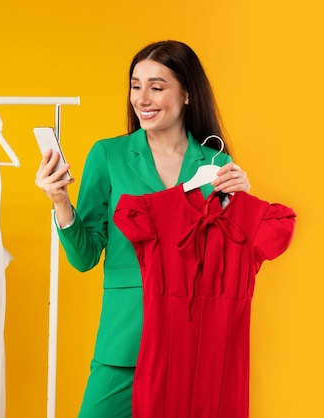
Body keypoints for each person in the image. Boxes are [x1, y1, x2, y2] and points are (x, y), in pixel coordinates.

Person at [34, 40, 251, 418]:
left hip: (193, 341)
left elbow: (229, 259)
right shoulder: (108, 155)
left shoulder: (216, 164)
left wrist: (240, 203)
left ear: (186, 93)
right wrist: (60, 203)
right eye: (136, 85)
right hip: (125, 339)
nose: (142, 98)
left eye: (157, 86)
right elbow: (84, 258)